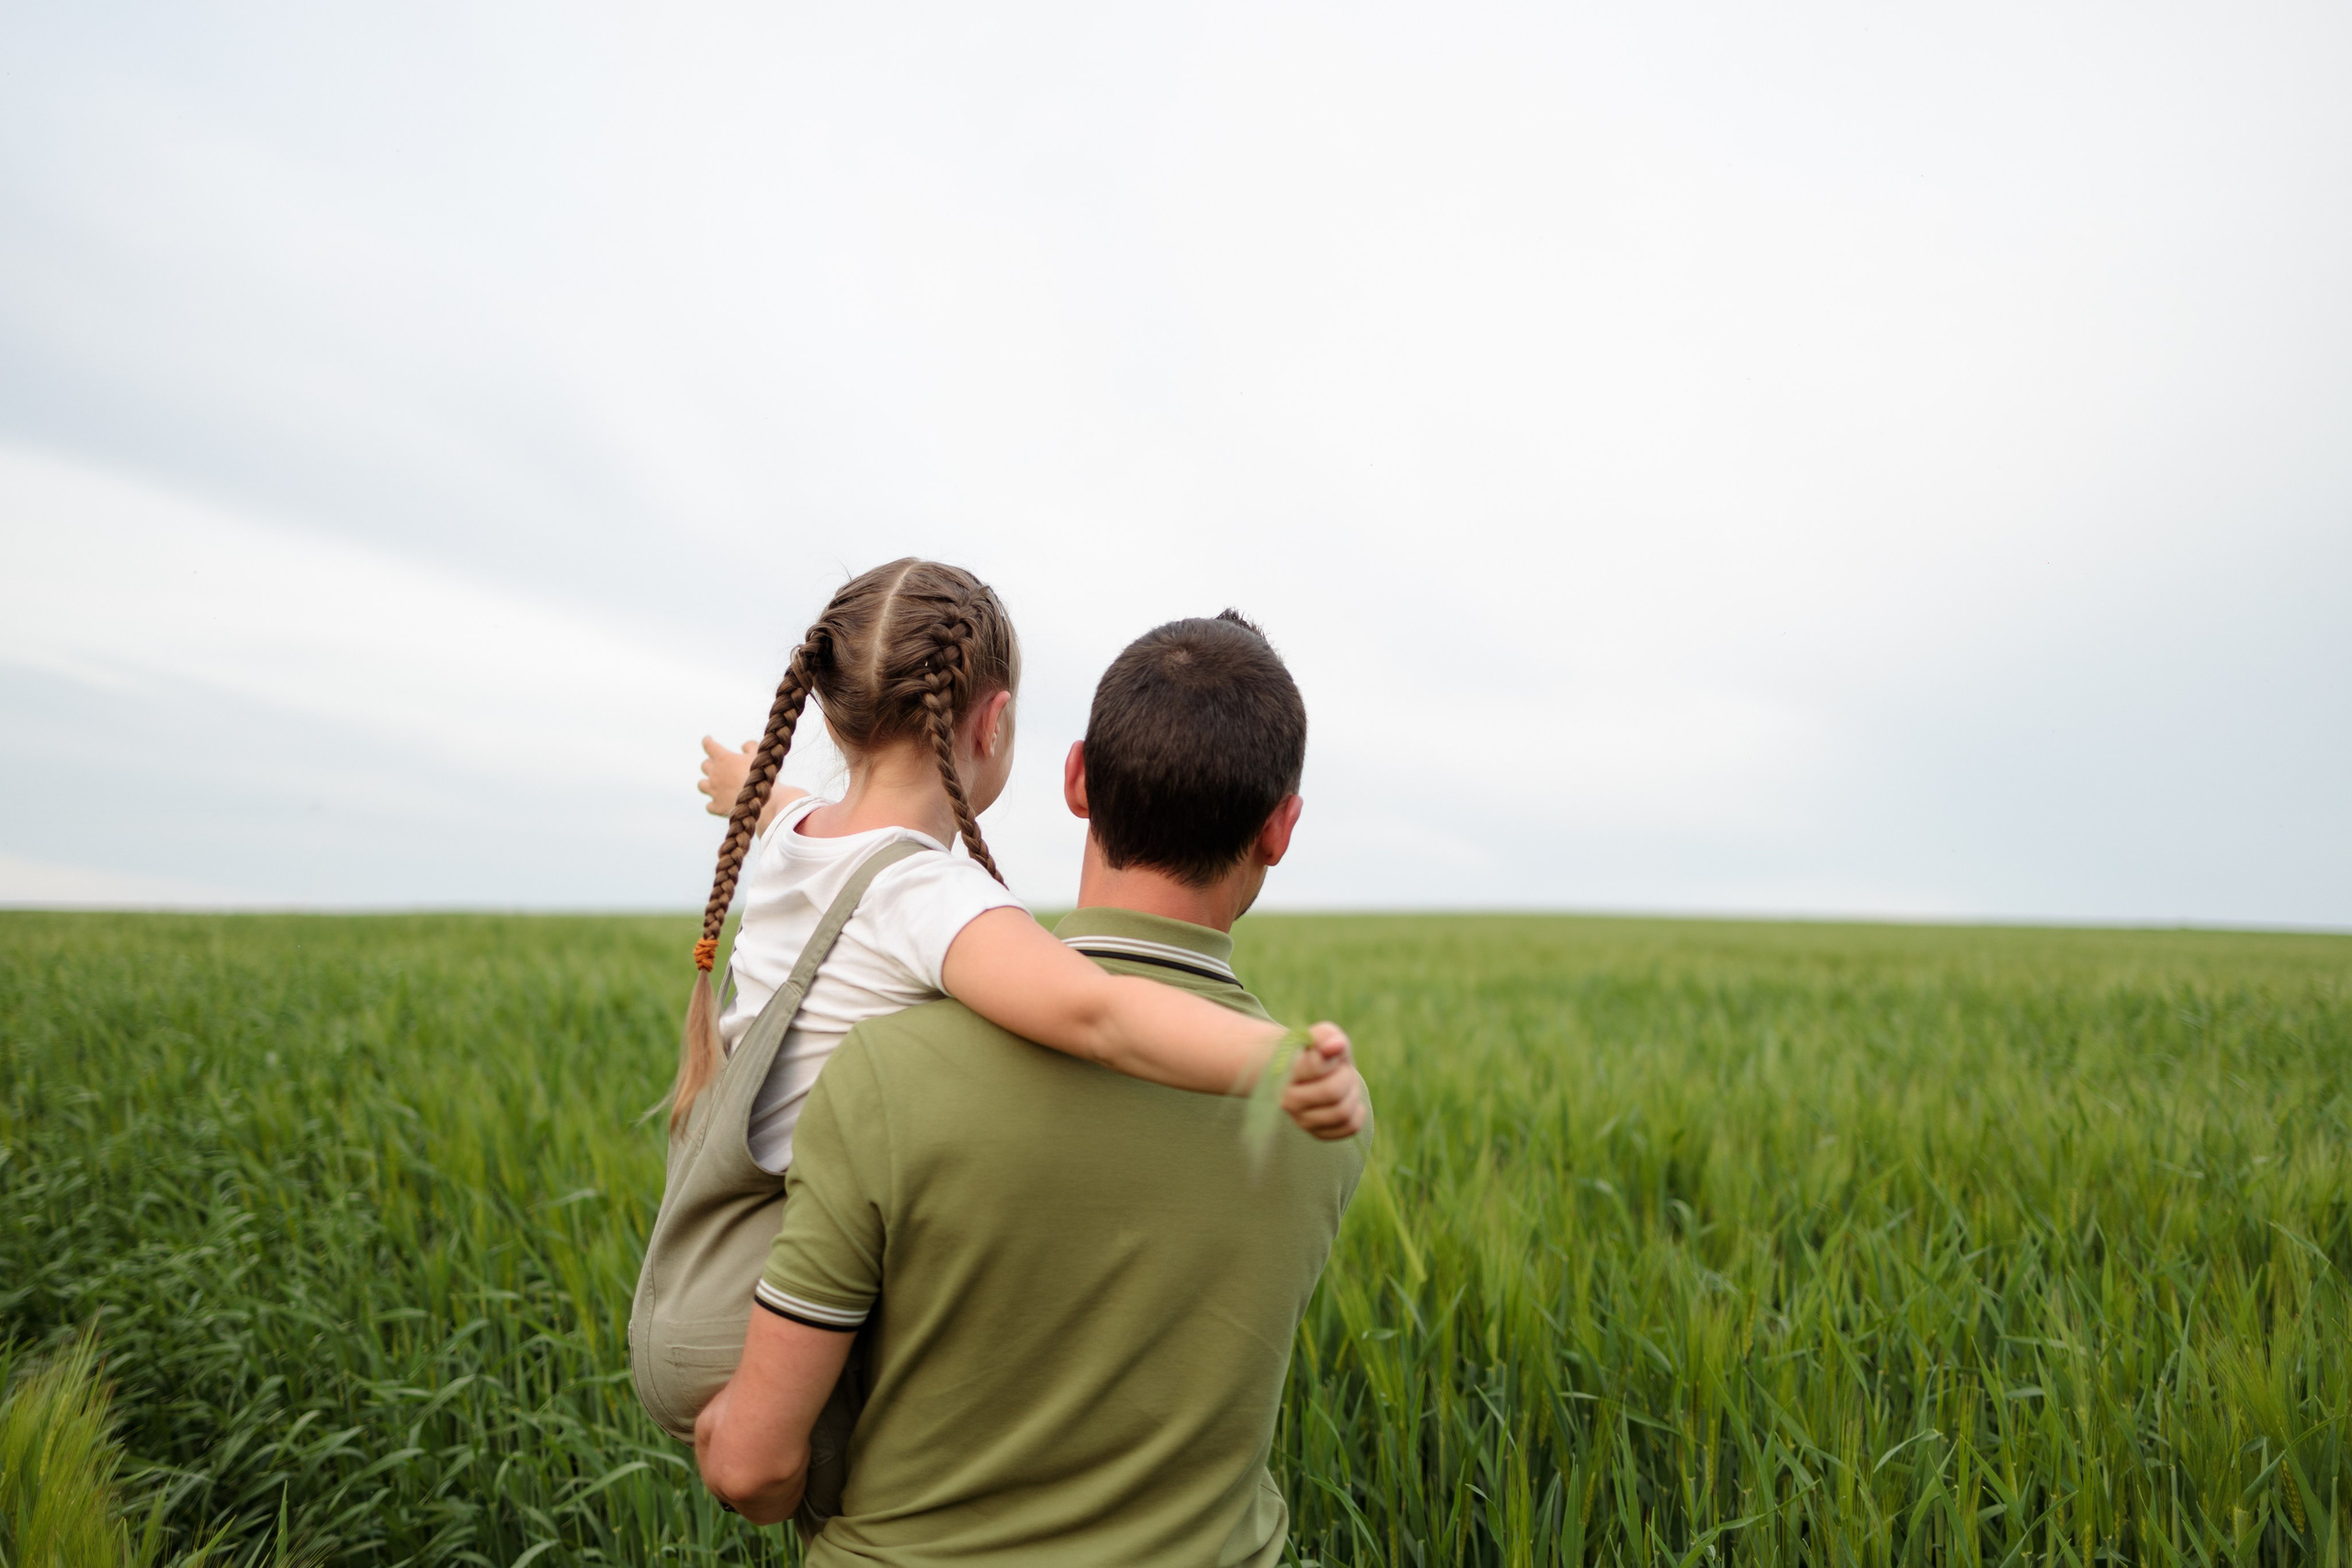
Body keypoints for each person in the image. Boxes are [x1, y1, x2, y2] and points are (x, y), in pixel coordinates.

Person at [696, 610, 1370, 1566]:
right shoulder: (1326, 1110)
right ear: (1280, 828)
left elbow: (752, 1470)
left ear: (1076, 779)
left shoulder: (885, 1069)